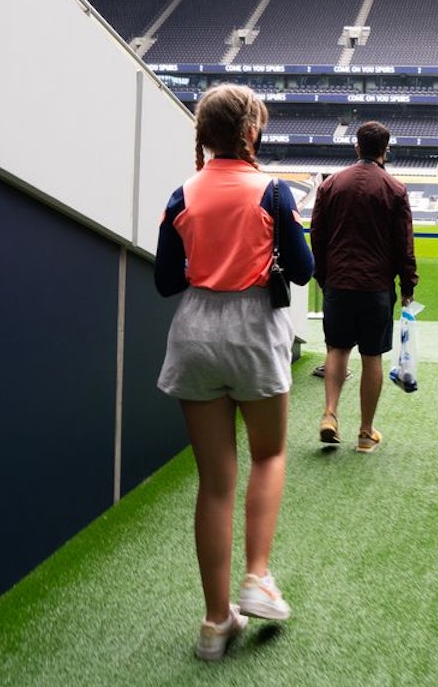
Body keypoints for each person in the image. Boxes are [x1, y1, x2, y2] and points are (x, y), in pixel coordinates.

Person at [153, 84, 314, 661]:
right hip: (252, 334)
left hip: (194, 335)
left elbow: (167, 281)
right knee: (268, 455)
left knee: (214, 483)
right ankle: (259, 577)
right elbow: (301, 270)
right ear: (250, 133)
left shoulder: (181, 194)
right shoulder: (272, 191)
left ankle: (216, 621)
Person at [309, 120, 418, 453]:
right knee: (372, 357)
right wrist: (408, 283)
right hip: (376, 287)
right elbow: (404, 244)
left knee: (337, 350)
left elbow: (318, 236)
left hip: (339, 283)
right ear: (385, 150)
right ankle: (365, 432)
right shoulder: (395, 189)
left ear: (356, 146)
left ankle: (330, 414)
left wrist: (325, 276)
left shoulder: (330, 186)